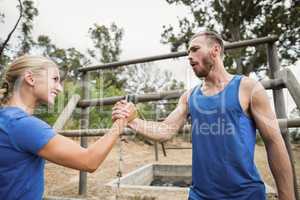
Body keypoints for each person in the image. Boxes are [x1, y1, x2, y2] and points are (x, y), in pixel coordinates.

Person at [112, 31, 295, 200]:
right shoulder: (189, 97)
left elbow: (274, 142)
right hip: (200, 196)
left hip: (246, 195)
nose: (189, 56)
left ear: (215, 50)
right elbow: (164, 131)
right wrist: (132, 120)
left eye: (194, 49)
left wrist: (287, 197)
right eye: (188, 52)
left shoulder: (249, 88)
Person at [0, 55, 136, 200]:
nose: (59, 88)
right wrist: (122, 120)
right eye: (55, 79)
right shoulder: (22, 125)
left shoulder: (6, 119)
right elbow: (89, 161)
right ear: (30, 78)